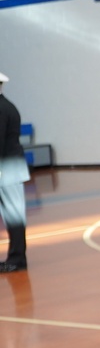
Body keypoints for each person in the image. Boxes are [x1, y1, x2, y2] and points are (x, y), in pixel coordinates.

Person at [0, 71, 29, 274]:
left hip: (7, 168)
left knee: (14, 216)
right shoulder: (6, 106)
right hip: (8, 166)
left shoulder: (2, 109)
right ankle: (16, 258)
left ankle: (17, 259)